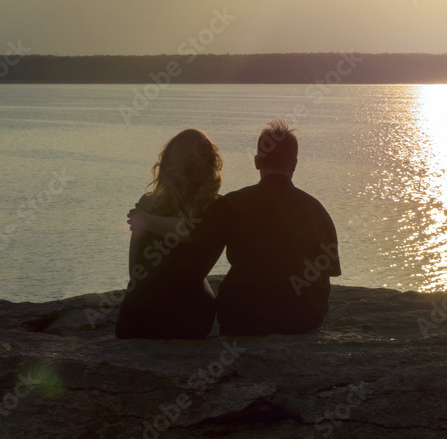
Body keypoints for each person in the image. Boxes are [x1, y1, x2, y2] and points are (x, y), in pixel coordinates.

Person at [129, 118, 341, 335]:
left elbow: (193, 234)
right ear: (294, 164)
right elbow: (329, 270)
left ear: (257, 161)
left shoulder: (233, 204)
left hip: (246, 316)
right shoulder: (318, 210)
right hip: (305, 318)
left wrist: (144, 217)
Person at [115, 128, 222, 339]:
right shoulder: (217, 208)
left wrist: (144, 219)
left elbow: (134, 270)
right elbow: (190, 231)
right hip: (189, 319)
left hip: (136, 319)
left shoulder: (148, 205)